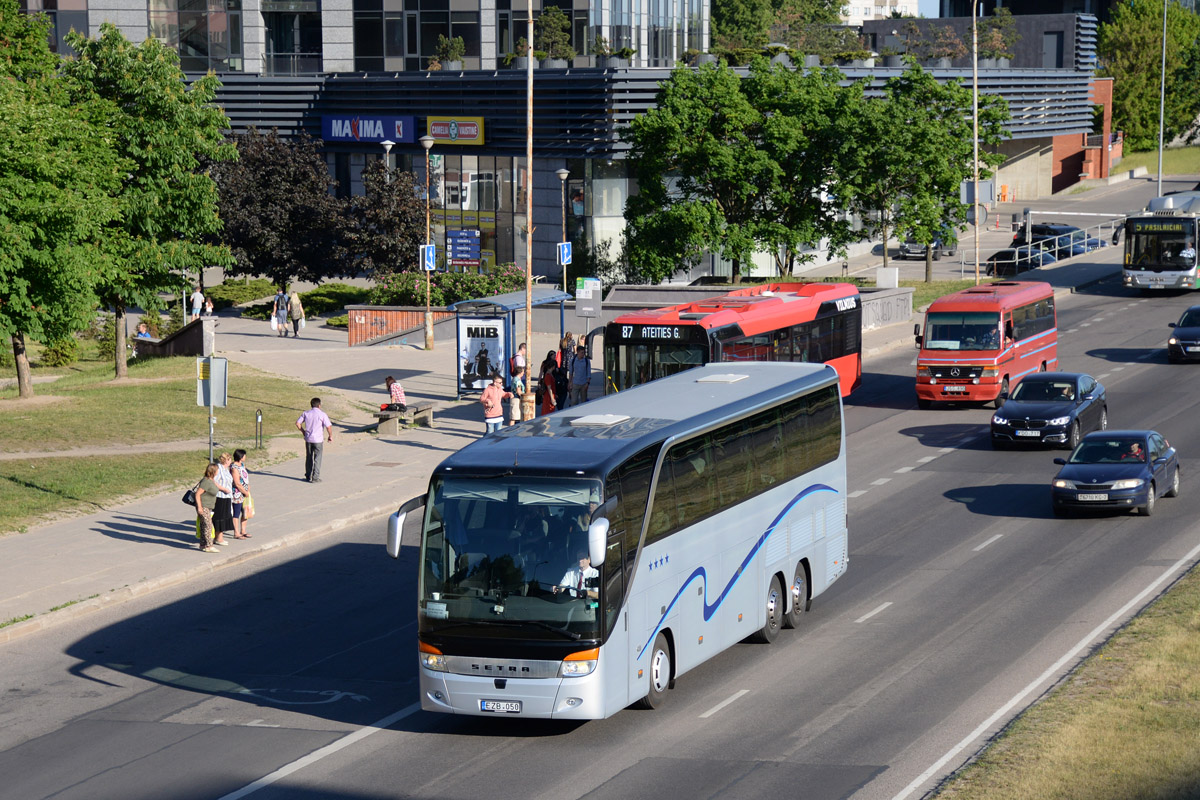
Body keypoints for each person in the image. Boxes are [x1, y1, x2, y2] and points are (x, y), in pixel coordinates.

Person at [296, 397, 333, 482]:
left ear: (311, 405)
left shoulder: (306, 413)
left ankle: (308, 475)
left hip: (308, 439)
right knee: (317, 458)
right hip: (318, 440)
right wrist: (330, 436)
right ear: (319, 405)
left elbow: (298, 423)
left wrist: (303, 432)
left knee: (309, 457)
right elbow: (328, 426)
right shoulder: (322, 414)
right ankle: (315, 477)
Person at [194, 463, 221, 553]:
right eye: (217, 470)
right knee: (208, 526)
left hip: (208, 507)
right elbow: (197, 494)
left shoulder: (211, 480)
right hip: (203, 506)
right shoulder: (206, 482)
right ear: (213, 471)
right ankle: (209, 545)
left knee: (203, 526)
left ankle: (203, 545)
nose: (218, 471)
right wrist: (199, 507)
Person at [212, 453, 236, 545]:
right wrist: (223, 489)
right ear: (226, 460)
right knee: (220, 517)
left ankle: (219, 537)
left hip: (227, 496)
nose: (231, 461)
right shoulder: (218, 468)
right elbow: (213, 481)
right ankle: (218, 538)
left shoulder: (226, 469)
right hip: (220, 496)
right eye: (230, 459)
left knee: (225, 517)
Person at [231, 449, 253, 539]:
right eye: (244, 455)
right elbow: (237, 483)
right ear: (241, 457)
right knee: (236, 513)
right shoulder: (234, 468)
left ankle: (243, 530)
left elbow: (244, 477)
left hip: (245, 492)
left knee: (246, 512)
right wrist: (245, 492)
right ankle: (236, 533)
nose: (245, 457)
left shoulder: (242, 465)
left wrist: (248, 487)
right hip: (237, 494)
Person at [538, 351, 559, 416]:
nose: (555, 357)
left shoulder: (549, 374)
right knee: (548, 410)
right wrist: (552, 398)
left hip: (551, 392)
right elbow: (549, 388)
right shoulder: (548, 376)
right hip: (549, 394)